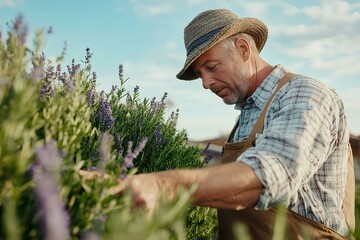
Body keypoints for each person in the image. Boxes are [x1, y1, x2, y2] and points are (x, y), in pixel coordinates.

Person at [118, 9, 355, 239]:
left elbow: (270, 175)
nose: (206, 83)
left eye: (211, 67)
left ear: (243, 49)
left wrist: (165, 185)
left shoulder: (305, 94)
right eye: (201, 74)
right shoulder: (249, 113)